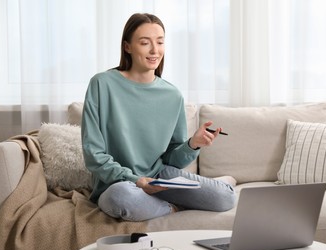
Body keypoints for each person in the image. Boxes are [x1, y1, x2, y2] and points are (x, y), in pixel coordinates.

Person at [81, 13, 236, 222]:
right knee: (120, 198)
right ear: (127, 47)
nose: (155, 50)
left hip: (160, 178)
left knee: (225, 198)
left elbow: (172, 158)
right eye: (145, 43)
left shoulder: (172, 95)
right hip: (119, 183)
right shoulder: (102, 84)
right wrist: (136, 180)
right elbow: (94, 155)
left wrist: (192, 144)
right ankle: (171, 208)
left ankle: (221, 183)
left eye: (160, 42)